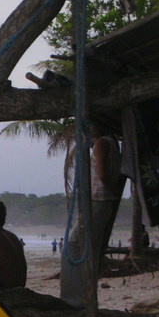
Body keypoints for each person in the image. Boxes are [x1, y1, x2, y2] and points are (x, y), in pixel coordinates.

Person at [60, 123, 126, 307]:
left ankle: (72, 298)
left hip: (98, 200)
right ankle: (83, 296)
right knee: (91, 247)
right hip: (102, 202)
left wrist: (110, 189)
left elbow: (102, 174)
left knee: (73, 245)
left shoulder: (101, 143)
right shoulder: (112, 142)